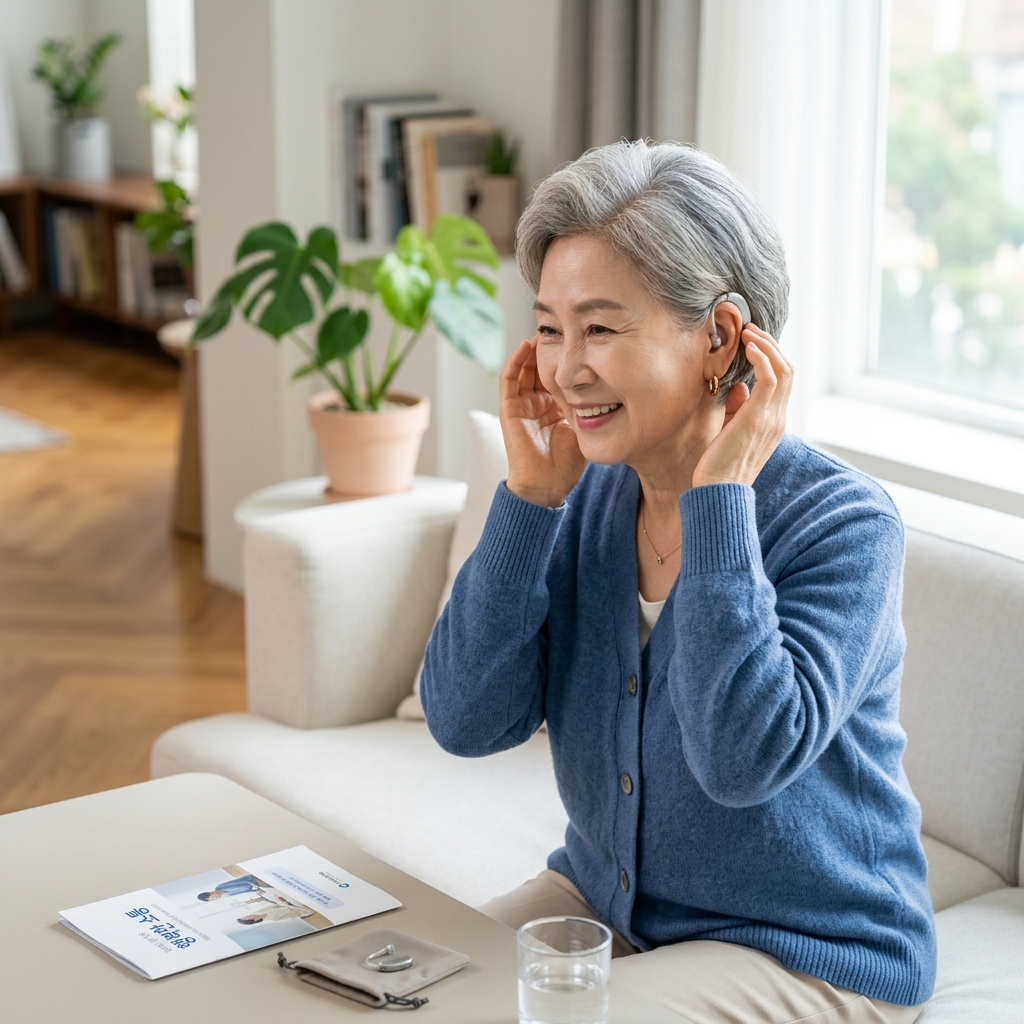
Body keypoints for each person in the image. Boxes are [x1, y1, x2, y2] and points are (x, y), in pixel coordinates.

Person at [420, 141, 935, 1024]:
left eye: (602, 328)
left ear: (722, 339)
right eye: (549, 328)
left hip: (806, 947)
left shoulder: (845, 525)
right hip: (604, 908)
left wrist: (721, 503)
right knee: (408, 998)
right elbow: (465, 721)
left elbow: (743, 760)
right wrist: (529, 502)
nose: (565, 368)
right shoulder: (585, 498)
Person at [197, 874, 265, 901]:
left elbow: (246, 880)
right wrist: (257, 890)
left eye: (213, 897)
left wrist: (257, 887)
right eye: (213, 899)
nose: (216, 898)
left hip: (254, 880)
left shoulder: (220, 887)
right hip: (259, 886)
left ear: (210, 892)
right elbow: (249, 890)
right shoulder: (228, 894)